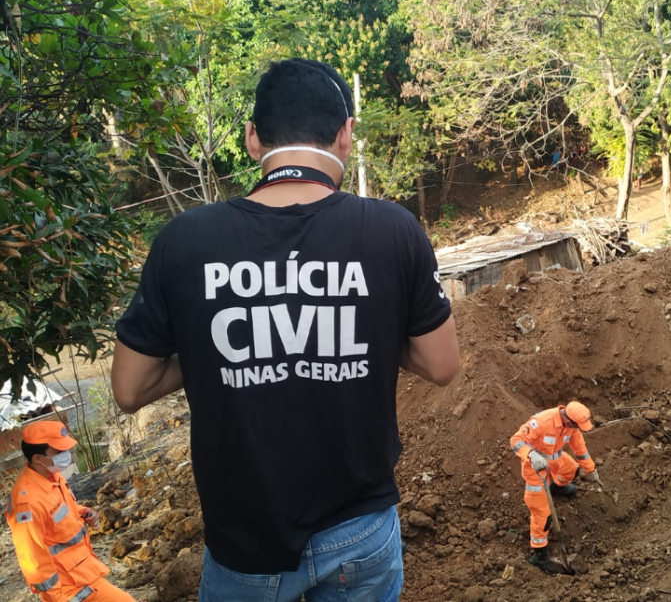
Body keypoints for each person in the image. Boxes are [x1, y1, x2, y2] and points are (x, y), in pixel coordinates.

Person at [111, 58, 460, 602]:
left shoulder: (184, 240)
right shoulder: (393, 229)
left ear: (253, 138)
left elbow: (129, 388)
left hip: (243, 544)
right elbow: (441, 365)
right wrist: (349, 329)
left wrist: (226, 342)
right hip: (359, 532)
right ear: (345, 136)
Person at [4, 421, 135, 602]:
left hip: (83, 575)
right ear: (38, 459)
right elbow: (33, 559)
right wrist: (56, 599)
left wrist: (83, 512)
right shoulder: (26, 503)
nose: (65, 455)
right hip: (67, 590)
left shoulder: (51, 476)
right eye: (58, 452)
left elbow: (60, 510)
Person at [509, 402, 600, 574]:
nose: (577, 429)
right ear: (568, 419)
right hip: (535, 467)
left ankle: (556, 487)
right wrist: (531, 455)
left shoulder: (572, 427)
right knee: (543, 515)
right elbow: (515, 440)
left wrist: (591, 469)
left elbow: (580, 449)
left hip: (555, 461)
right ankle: (539, 556)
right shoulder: (542, 421)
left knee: (571, 469)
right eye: (577, 426)